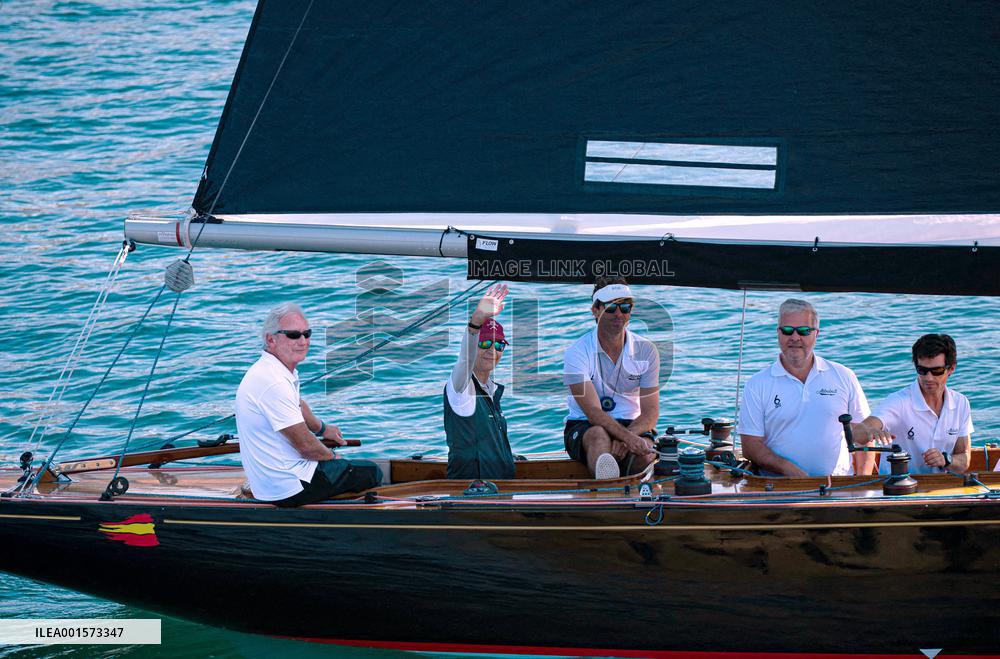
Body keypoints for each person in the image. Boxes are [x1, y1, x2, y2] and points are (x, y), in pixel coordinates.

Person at [235, 303, 381, 506]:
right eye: (294, 335)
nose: (303, 341)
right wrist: (333, 457)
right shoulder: (273, 382)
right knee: (372, 472)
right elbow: (306, 448)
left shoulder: (272, 369)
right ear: (271, 339)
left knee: (349, 467)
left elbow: (297, 405)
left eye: (307, 334)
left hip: (270, 481)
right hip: (289, 487)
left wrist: (322, 428)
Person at [739, 298, 870, 477]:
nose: (795, 337)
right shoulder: (756, 384)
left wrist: (862, 486)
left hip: (838, 488)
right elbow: (750, 446)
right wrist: (788, 470)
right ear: (778, 333)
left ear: (816, 334)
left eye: (803, 331)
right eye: (787, 330)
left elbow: (864, 435)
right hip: (778, 488)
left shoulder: (844, 376)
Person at [563, 276, 659, 479]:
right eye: (611, 307)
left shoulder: (647, 350)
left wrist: (627, 438)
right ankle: (608, 497)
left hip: (632, 424)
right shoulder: (576, 352)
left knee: (645, 453)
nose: (619, 314)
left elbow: (650, 413)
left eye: (625, 307)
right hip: (586, 425)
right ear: (595, 310)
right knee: (599, 437)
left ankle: (625, 497)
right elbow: (593, 412)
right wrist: (625, 437)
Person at [852, 334, 973, 475]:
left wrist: (946, 459)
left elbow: (964, 460)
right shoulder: (898, 402)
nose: (928, 378)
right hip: (897, 491)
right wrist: (869, 432)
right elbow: (857, 433)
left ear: (951, 368)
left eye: (937, 371)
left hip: (940, 489)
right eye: (922, 370)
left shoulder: (961, 403)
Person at [443, 283, 516, 480]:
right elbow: (465, 359)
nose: (493, 350)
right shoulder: (461, 387)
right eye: (485, 343)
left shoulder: (492, 391)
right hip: (470, 495)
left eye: (499, 344)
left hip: (501, 492)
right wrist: (476, 321)